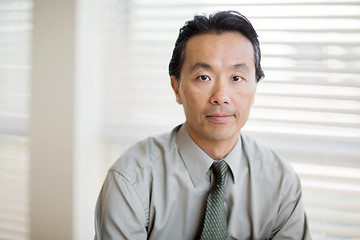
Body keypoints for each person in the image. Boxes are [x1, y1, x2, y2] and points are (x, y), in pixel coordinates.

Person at [94, 10, 311, 240]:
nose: (221, 96)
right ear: (177, 88)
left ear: (255, 87)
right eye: (204, 77)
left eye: (237, 78)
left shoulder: (280, 182)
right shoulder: (131, 179)